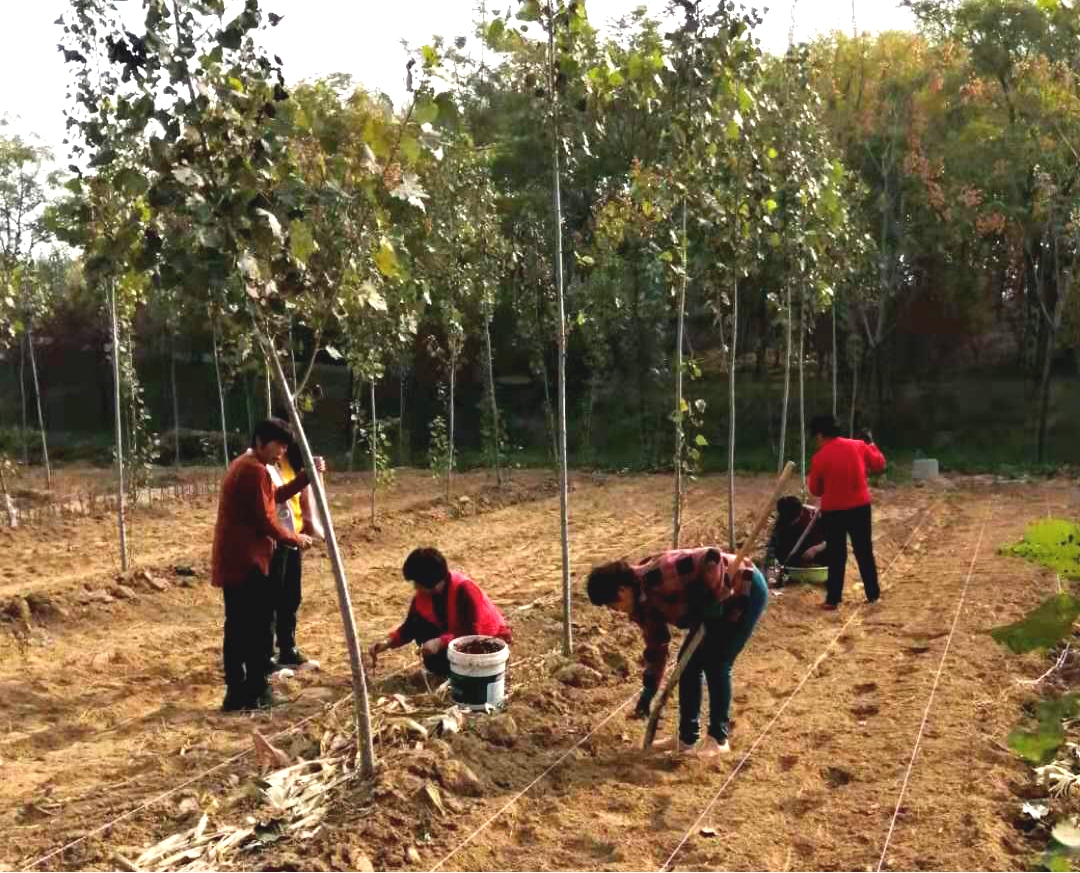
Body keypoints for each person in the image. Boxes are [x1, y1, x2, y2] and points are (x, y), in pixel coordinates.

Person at [586, 547, 768, 758]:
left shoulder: (660, 573)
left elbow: (711, 558)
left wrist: (715, 594)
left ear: (622, 590)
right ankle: (687, 739)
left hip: (743, 587)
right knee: (688, 665)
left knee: (717, 661)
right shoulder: (640, 607)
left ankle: (718, 740)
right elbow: (657, 646)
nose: (614, 610)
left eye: (611, 605)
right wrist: (649, 691)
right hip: (713, 609)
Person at [211, 419, 316, 712]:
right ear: (259, 441)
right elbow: (266, 520)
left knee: (238, 627)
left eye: (285, 447)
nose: (281, 453)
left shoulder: (246, 465)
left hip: (236, 560)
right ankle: (257, 691)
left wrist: (302, 480)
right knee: (256, 628)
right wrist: (294, 538)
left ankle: (237, 693)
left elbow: (270, 500)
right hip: (248, 562)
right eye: (278, 445)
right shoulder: (254, 471)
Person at [368, 548, 512, 678]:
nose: (416, 587)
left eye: (418, 583)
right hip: (455, 640)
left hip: (486, 644)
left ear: (431, 581)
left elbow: (472, 633)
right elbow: (411, 626)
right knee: (429, 645)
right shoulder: (424, 596)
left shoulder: (464, 590)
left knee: (467, 658)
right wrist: (388, 642)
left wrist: (440, 642)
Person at [807, 414, 887, 610]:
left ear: (819, 435)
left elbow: (815, 489)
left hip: (833, 511)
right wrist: (872, 444)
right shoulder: (859, 446)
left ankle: (833, 599)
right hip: (860, 508)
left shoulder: (819, 457)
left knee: (836, 555)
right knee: (864, 551)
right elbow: (879, 464)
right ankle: (873, 595)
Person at [266, 440, 326, 673]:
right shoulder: (268, 466)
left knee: (291, 597)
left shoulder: (293, 464)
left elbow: (302, 498)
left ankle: (287, 649)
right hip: (276, 540)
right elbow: (277, 497)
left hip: (294, 537)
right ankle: (266, 656)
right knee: (272, 599)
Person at [763, 496, 827, 586]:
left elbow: (833, 540)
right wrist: (770, 571)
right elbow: (772, 549)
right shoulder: (783, 521)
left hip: (817, 552)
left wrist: (815, 549)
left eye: (793, 520)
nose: (790, 523)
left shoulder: (815, 516)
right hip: (796, 557)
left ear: (800, 513)